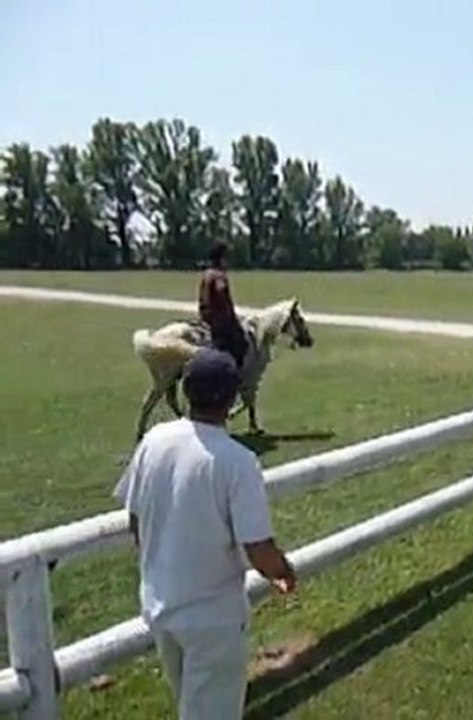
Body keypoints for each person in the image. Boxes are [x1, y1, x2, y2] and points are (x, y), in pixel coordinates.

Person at [113, 348, 297, 719]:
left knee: (190, 705)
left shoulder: (154, 441)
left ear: (186, 391)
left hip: (160, 607)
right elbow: (258, 547)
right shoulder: (238, 462)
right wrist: (283, 571)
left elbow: (136, 521)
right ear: (232, 399)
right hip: (212, 619)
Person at [199, 242, 249, 370]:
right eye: (226, 258)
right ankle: (233, 373)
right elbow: (221, 293)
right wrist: (232, 318)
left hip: (205, 317)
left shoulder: (207, 274)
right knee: (241, 342)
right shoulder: (219, 276)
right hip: (219, 321)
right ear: (220, 259)